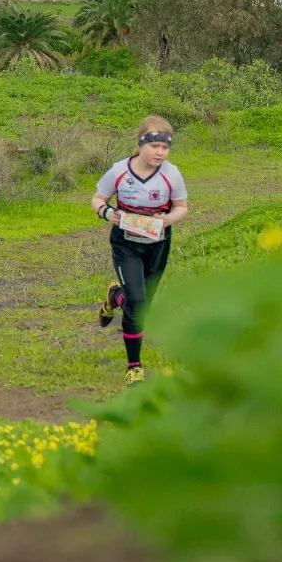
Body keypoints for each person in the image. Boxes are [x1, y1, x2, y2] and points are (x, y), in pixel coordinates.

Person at [91, 116, 189, 385]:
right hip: (126, 244)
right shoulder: (119, 171)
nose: (160, 152)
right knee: (139, 302)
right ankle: (134, 366)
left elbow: (181, 207)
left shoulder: (172, 174)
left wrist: (167, 220)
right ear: (141, 144)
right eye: (155, 146)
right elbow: (98, 198)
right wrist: (106, 212)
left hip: (158, 245)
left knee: (142, 305)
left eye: (165, 148)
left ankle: (114, 297)